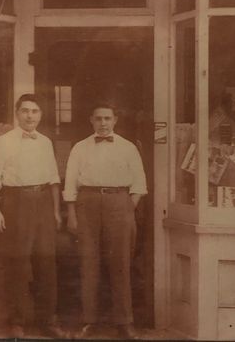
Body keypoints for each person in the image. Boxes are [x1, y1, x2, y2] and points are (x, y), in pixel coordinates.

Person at [0, 94, 66, 339]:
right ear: (17, 114)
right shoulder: (4, 142)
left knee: (46, 263)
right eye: (25, 111)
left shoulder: (45, 142)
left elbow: (53, 179)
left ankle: (49, 320)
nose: (30, 116)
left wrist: (54, 211)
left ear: (41, 115)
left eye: (35, 111)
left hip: (42, 203)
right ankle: (17, 322)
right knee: (18, 263)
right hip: (16, 202)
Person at [64, 103, 147, 340]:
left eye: (107, 118)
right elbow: (70, 184)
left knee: (120, 264)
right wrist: (72, 213)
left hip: (120, 203)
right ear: (91, 120)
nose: (103, 123)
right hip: (87, 204)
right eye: (98, 118)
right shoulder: (80, 148)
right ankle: (88, 321)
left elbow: (139, 186)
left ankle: (124, 322)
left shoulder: (128, 148)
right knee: (88, 264)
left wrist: (125, 212)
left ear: (115, 120)